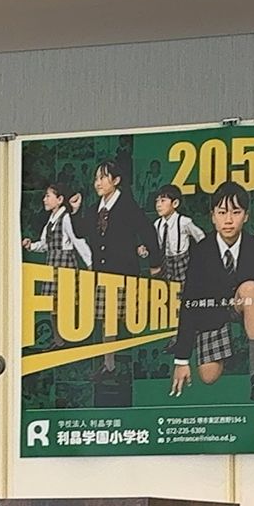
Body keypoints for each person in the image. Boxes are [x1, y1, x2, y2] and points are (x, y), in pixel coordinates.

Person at [170, 181, 254, 403]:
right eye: (222, 212)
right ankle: (233, 346)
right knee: (208, 377)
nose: (228, 220)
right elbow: (189, 302)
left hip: (247, 305)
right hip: (213, 314)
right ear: (212, 216)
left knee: (251, 288)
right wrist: (182, 359)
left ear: (246, 216)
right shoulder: (200, 251)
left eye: (236, 212)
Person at [71, 158, 163, 404]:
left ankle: (128, 367)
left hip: (125, 273)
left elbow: (148, 231)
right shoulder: (95, 208)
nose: (98, 183)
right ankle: (109, 365)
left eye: (103, 177)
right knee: (107, 320)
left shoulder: (127, 205)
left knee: (126, 320)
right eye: (96, 178)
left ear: (116, 180)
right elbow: (81, 231)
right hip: (102, 274)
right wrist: (76, 210)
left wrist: (155, 262)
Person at [21, 178, 90, 269]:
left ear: (59, 199)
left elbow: (77, 241)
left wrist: (89, 263)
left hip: (65, 266)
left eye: (48, 196)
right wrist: (31, 246)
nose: (44, 200)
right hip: (52, 264)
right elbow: (46, 244)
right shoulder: (51, 221)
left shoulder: (66, 218)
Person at [153, 185, 204, 284]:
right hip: (165, 261)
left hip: (181, 260)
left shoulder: (184, 222)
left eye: (163, 201)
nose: (158, 205)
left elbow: (201, 237)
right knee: (166, 286)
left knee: (183, 285)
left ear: (175, 203)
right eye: (157, 201)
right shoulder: (157, 224)